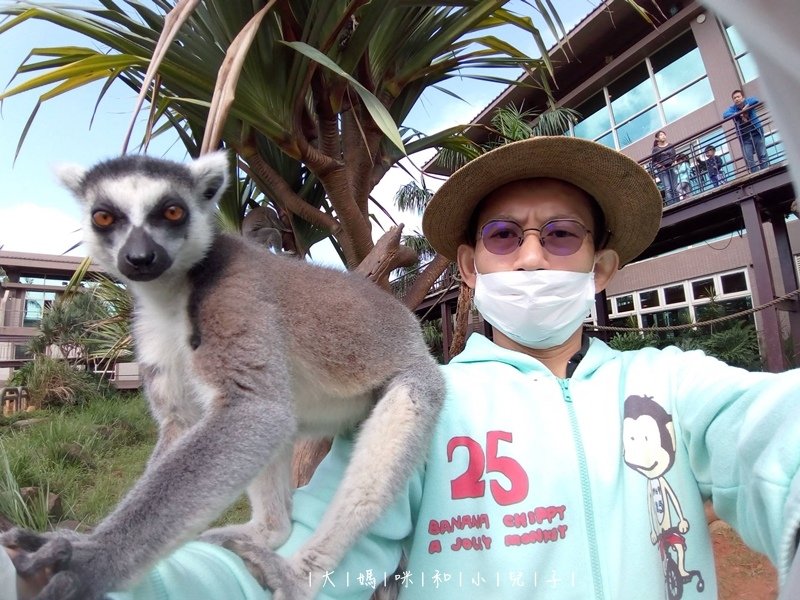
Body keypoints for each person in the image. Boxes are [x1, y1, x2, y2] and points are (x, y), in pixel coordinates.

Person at [5, 137, 800, 600]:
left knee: (314, 402)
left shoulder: (675, 386)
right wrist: (99, 575)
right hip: (327, 407)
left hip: (372, 380)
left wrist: (111, 552)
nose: (530, 257)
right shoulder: (450, 404)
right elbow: (250, 545)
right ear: (466, 263)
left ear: (602, 268)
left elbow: (777, 437)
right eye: (503, 236)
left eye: (560, 237)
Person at [723, 90, 769, 173]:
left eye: (738, 97)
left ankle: (766, 171)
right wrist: (739, 113)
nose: (736, 99)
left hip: (756, 133)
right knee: (748, 158)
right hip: (745, 138)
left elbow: (755, 100)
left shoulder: (748, 101)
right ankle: (756, 174)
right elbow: (725, 114)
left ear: (742, 97)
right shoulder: (733, 109)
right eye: (734, 98)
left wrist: (745, 108)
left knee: (762, 154)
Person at [650, 130, 677, 205]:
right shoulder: (656, 149)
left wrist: (674, 162)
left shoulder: (670, 145)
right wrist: (659, 166)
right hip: (662, 170)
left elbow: (674, 156)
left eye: (664, 134)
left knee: (674, 187)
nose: (663, 136)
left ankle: (677, 202)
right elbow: (653, 161)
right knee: (668, 188)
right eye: (661, 135)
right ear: (657, 138)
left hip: (671, 167)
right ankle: (672, 204)